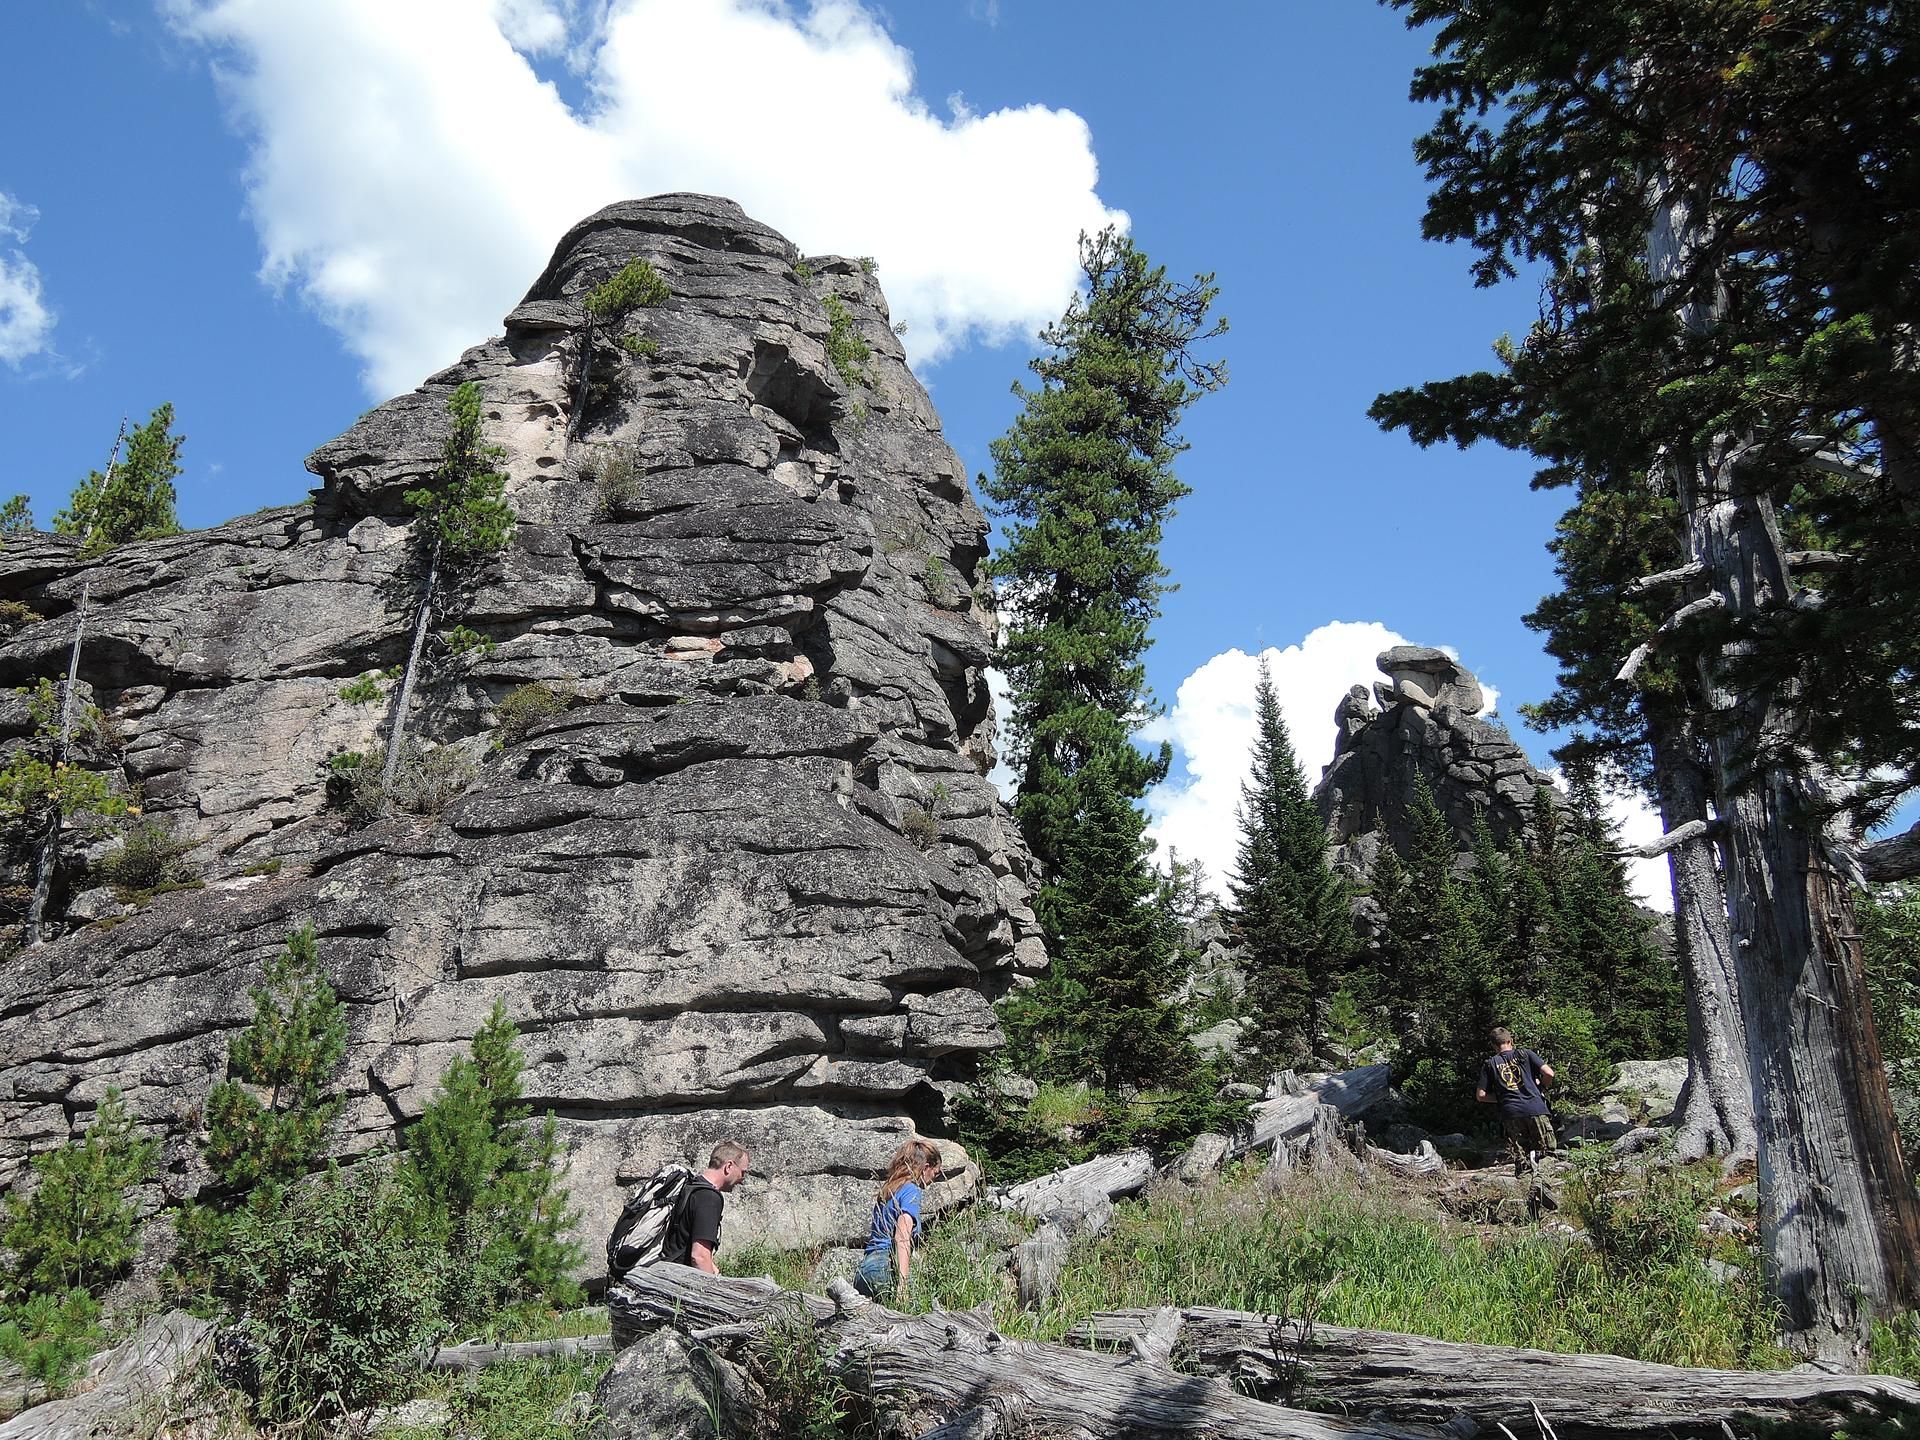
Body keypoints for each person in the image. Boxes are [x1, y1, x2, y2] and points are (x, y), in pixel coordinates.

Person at [854, 1139, 941, 1301]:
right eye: (935, 1174)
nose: (932, 1181)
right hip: (886, 1268)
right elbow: (901, 1237)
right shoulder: (911, 1191)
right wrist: (903, 1285)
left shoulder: (888, 1190)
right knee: (911, 1321)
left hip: (864, 1271)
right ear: (926, 1168)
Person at [1475, 1026, 1557, 1173]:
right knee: (1547, 1153)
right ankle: (1544, 1184)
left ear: (1493, 1045)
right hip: (1536, 1109)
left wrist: (1502, 1099)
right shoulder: (1525, 1054)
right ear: (1510, 1041)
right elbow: (1549, 1073)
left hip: (1511, 1114)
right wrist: (1540, 1088)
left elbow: (1481, 1095)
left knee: (1522, 1159)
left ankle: (1529, 1188)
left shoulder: (1490, 1064)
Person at [665, 1140, 750, 1273]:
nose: (742, 1179)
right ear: (729, 1166)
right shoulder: (709, 1198)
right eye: (742, 1172)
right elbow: (699, 1257)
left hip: (664, 1267)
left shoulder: (690, 1186)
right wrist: (713, 1289)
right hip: (679, 1279)